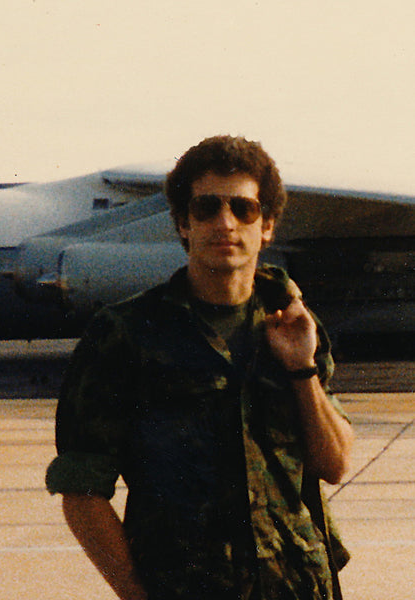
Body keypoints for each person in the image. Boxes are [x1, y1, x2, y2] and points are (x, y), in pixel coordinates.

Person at [46, 135, 354, 600]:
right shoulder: (125, 334)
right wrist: (138, 594)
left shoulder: (289, 324)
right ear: (183, 224)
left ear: (267, 225)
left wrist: (301, 368)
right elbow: (82, 493)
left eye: (243, 209)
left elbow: (333, 464)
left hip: (298, 586)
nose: (225, 223)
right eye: (206, 208)